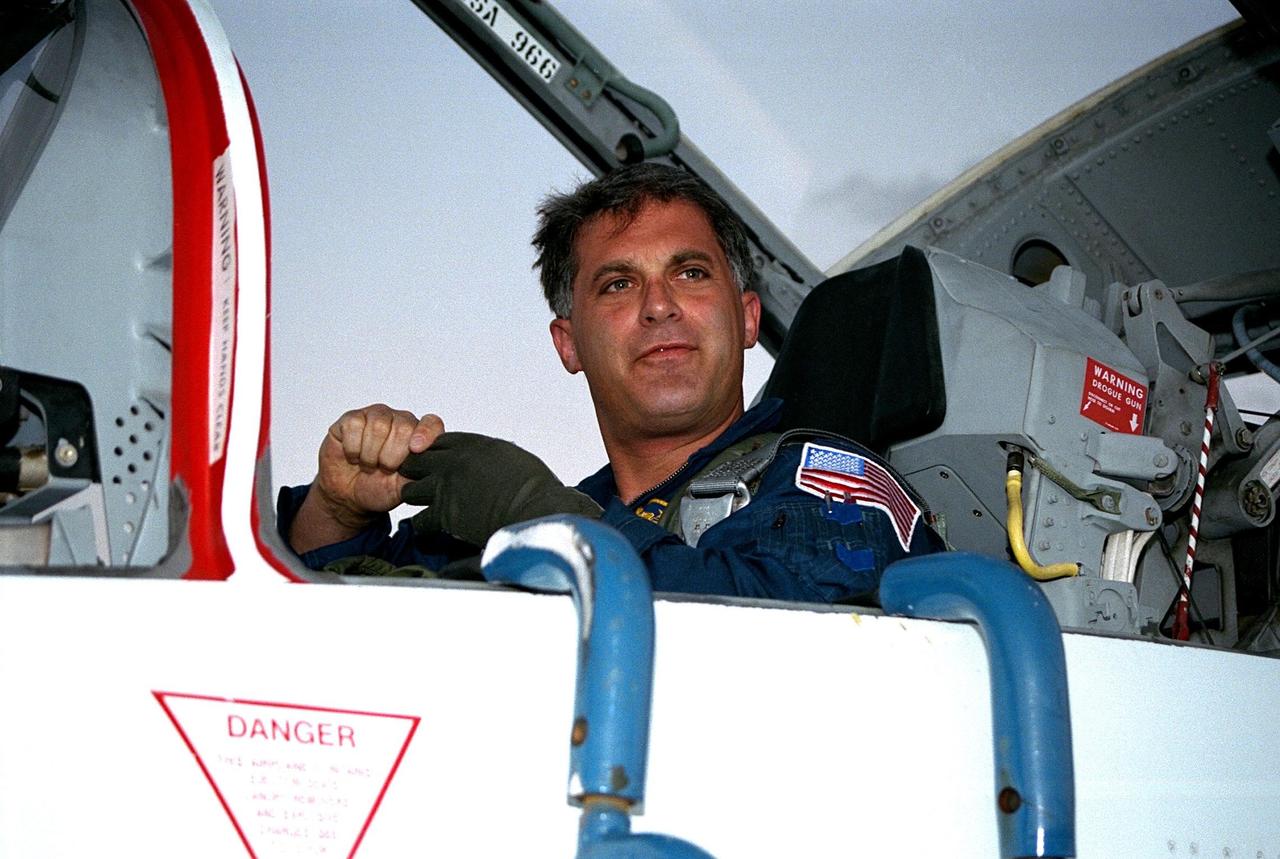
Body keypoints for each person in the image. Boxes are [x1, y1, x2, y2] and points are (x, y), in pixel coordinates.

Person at [277, 163, 941, 601]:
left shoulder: (828, 483)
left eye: (690, 273)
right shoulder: (531, 518)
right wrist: (337, 512)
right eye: (619, 284)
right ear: (569, 344)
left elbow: (787, 634)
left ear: (747, 318)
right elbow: (323, 628)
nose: (659, 305)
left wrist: (542, 517)